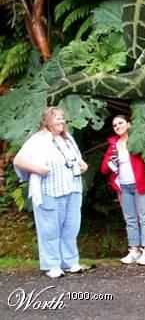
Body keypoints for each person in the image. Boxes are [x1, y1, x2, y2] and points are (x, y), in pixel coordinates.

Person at [13, 106, 88, 278]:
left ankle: (69, 262)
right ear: (47, 121)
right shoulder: (38, 140)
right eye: (57, 118)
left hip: (72, 189)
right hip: (49, 191)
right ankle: (52, 264)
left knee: (71, 227)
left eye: (62, 118)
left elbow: (75, 159)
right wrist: (38, 168)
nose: (61, 121)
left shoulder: (68, 139)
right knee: (50, 229)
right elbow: (19, 160)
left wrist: (83, 165)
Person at [100, 115, 145, 266]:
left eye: (121, 123)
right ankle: (134, 251)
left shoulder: (139, 139)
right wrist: (111, 159)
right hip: (123, 187)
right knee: (130, 219)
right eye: (115, 125)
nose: (118, 126)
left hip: (142, 184)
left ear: (129, 124)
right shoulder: (114, 144)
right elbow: (104, 169)